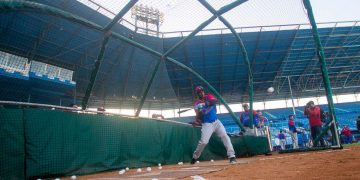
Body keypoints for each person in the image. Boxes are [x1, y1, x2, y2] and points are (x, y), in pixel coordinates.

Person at [191, 86, 236, 164]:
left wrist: (207, 103)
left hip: (216, 122)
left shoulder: (208, 96)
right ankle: (195, 157)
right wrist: (199, 115)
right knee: (204, 142)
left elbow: (214, 101)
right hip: (207, 124)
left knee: (224, 136)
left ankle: (232, 156)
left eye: (202, 91)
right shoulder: (197, 104)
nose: (201, 93)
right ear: (197, 94)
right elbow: (199, 116)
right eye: (199, 92)